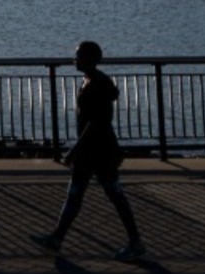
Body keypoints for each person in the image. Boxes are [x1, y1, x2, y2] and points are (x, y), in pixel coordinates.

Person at [34, 40, 146, 260]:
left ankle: (135, 242)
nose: (74, 59)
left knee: (113, 195)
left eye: (78, 56)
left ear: (90, 58)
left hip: (98, 150)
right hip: (92, 150)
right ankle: (56, 238)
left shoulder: (97, 84)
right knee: (77, 194)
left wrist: (75, 149)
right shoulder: (91, 81)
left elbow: (97, 122)